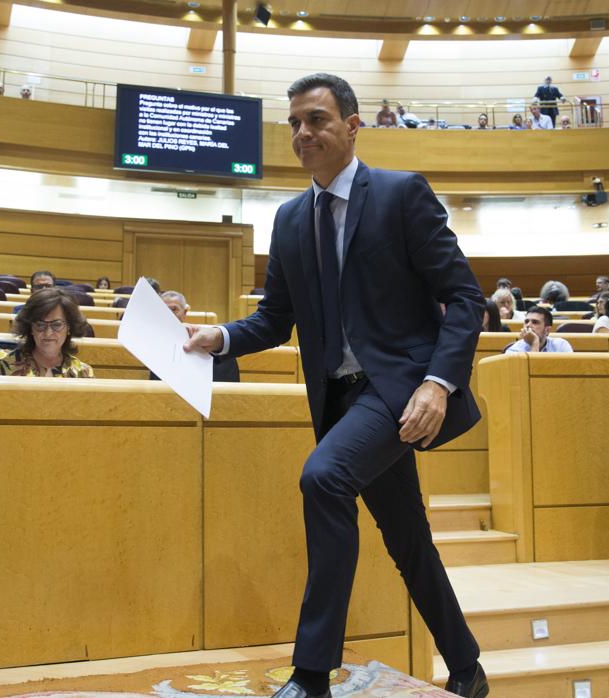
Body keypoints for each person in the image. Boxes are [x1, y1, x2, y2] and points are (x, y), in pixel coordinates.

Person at [182, 73, 488, 698]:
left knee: (324, 477)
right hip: (341, 399)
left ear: (351, 125)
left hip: (399, 389)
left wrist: (438, 383)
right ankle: (467, 668)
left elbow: (464, 299)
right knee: (408, 540)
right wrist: (222, 337)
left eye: (316, 119)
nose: (302, 133)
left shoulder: (404, 195)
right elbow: (275, 319)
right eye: (294, 122)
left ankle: (312, 674)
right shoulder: (292, 218)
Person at [0, 288, 93, 377]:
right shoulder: (4, 363)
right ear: (30, 328)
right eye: (40, 325)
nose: (48, 333)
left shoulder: (82, 373)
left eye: (57, 324)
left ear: (69, 328)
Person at [158, 291, 239, 382]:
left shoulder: (207, 341)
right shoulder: (155, 343)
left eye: (174, 309)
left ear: (184, 312)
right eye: (165, 310)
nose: (169, 314)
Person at [505, 307, 572, 353]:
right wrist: (534, 343)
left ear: (547, 330)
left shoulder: (561, 346)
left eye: (535, 322)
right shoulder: (514, 350)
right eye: (526, 321)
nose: (528, 325)